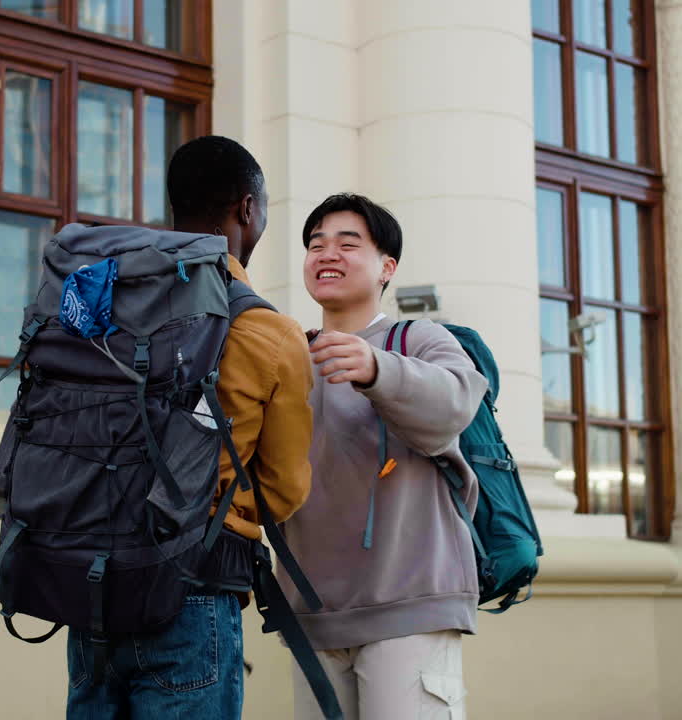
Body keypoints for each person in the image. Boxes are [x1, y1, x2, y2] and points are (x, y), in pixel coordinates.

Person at [66, 135, 315, 719]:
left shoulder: (110, 300)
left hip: (92, 587)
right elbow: (284, 491)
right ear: (246, 208)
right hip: (193, 593)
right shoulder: (270, 334)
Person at [282, 193, 488, 719]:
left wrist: (378, 368)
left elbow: (456, 403)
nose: (326, 253)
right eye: (315, 244)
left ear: (386, 267)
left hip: (411, 608)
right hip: (312, 615)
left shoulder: (419, 338)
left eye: (347, 244)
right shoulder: (287, 355)